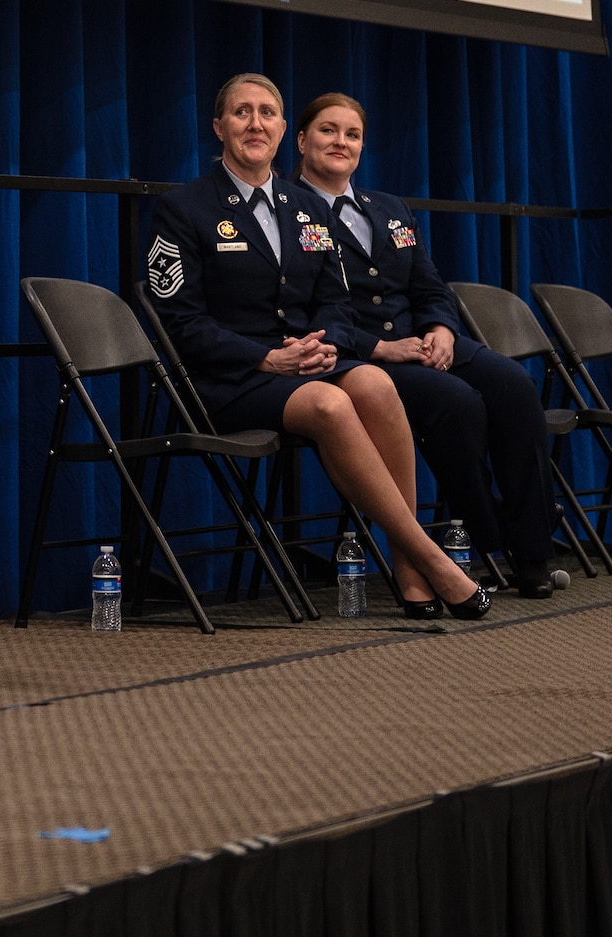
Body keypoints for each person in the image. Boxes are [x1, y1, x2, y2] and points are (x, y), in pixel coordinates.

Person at [145, 74, 489, 619]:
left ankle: (406, 567)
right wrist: (265, 357)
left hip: (305, 363)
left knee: (374, 382)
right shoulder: (184, 209)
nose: (255, 124)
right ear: (218, 128)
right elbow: (178, 322)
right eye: (241, 113)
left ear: (284, 130)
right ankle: (428, 557)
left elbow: (335, 298)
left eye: (267, 113)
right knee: (331, 403)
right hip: (228, 378)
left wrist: (323, 345)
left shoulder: (305, 207)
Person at [292, 92, 558, 599]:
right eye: (327, 131)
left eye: (352, 134)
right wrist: (379, 348)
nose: (340, 142)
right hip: (357, 358)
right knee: (457, 403)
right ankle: (487, 541)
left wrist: (441, 329)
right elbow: (297, 306)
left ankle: (533, 552)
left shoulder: (390, 208)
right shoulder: (287, 212)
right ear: (302, 140)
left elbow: (431, 287)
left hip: (428, 343)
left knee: (514, 386)